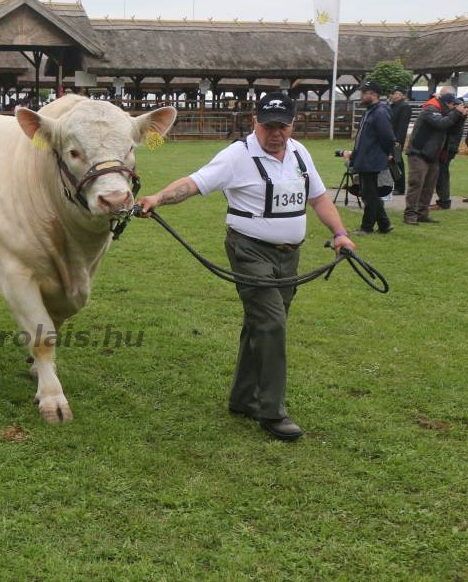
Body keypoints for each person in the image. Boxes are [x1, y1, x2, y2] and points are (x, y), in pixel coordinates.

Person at [138, 92, 354, 441]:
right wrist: (158, 198)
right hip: (250, 251)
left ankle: (242, 398)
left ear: (292, 124)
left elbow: (318, 198)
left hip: (289, 255)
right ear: (255, 122)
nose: (275, 133)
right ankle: (271, 410)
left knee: (261, 324)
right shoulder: (238, 155)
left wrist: (340, 233)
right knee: (271, 324)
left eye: (282, 126)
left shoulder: (299, 153)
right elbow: (195, 182)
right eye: (268, 126)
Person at [403, 93, 468, 225]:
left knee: (429, 186)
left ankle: (422, 213)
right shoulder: (430, 110)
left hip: (433, 154)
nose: (454, 107)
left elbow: (453, 132)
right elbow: (441, 124)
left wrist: (461, 118)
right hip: (419, 152)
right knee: (417, 183)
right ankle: (410, 214)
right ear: (446, 103)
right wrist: (456, 113)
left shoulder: (445, 113)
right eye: (453, 104)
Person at [344, 81, 395, 235]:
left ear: (373, 94)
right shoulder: (370, 112)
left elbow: (387, 137)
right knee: (370, 193)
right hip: (366, 158)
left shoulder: (380, 113)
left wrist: (387, 154)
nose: (361, 96)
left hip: (372, 159)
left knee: (369, 194)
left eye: (363, 93)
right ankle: (384, 224)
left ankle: (367, 227)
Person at [434, 93, 467, 210]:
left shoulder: (455, 114)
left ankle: (444, 201)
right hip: (450, 146)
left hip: (448, 146)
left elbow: (446, 122)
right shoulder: (456, 113)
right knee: (442, 172)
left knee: (442, 173)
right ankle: (443, 200)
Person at [388, 86, 411, 195]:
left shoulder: (404, 107)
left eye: (396, 93)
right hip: (389, 138)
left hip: (396, 140)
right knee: (392, 162)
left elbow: (403, 125)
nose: (393, 95)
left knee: (396, 162)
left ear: (402, 95)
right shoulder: (392, 106)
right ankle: (395, 185)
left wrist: (398, 140)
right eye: (392, 93)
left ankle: (400, 187)